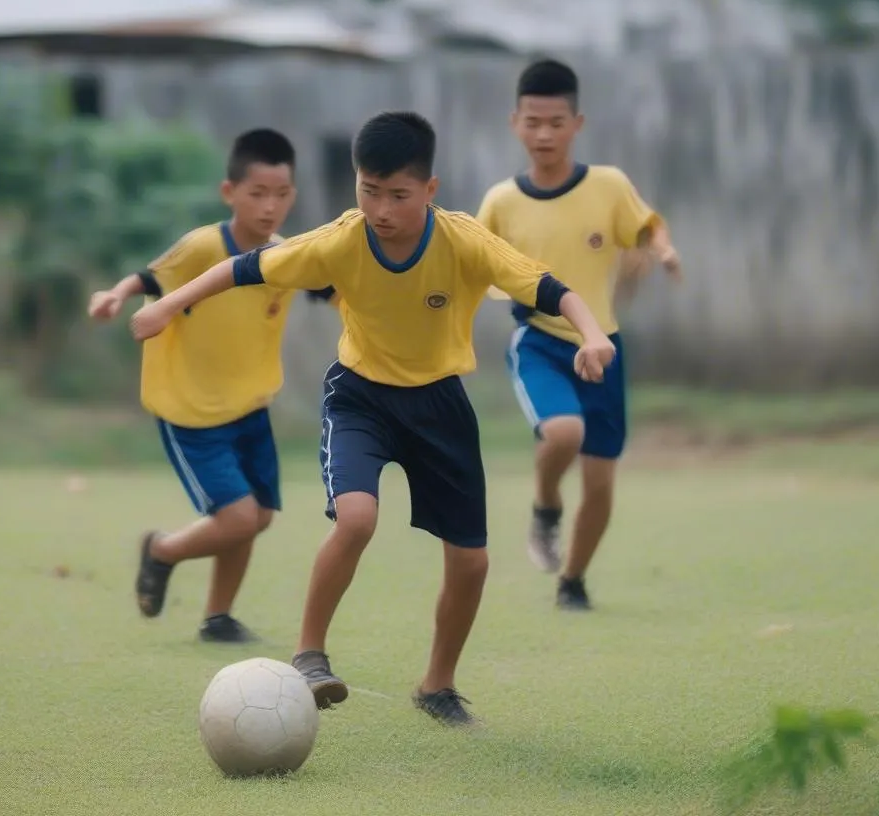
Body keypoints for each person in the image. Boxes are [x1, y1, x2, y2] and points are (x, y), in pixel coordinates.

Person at [129, 110, 616, 726]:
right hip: (360, 397)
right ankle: (309, 655)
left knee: (471, 560)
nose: (381, 209)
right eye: (369, 191)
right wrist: (166, 308)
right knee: (356, 518)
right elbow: (242, 268)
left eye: (398, 196)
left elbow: (550, 289)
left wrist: (592, 335)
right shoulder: (342, 238)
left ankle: (437, 684)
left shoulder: (463, 239)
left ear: (430, 191)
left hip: (440, 406)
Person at [88, 128, 333, 643]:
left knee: (257, 516)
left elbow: (333, 288)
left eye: (282, 195)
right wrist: (115, 295)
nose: (270, 207)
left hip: (251, 406)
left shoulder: (285, 255)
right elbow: (151, 277)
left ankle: (217, 617)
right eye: (257, 194)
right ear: (230, 193)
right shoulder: (203, 247)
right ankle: (161, 550)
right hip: (191, 410)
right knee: (239, 516)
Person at [476, 59, 681, 612]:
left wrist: (659, 250)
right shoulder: (500, 202)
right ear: (515, 122)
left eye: (556, 122)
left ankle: (573, 579)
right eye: (534, 122)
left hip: (604, 349)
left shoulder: (608, 186)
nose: (544, 134)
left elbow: (646, 224)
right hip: (540, 342)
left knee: (600, 484)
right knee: (562, 433)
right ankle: (545, 508)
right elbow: (471, 264)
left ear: (578, 123)